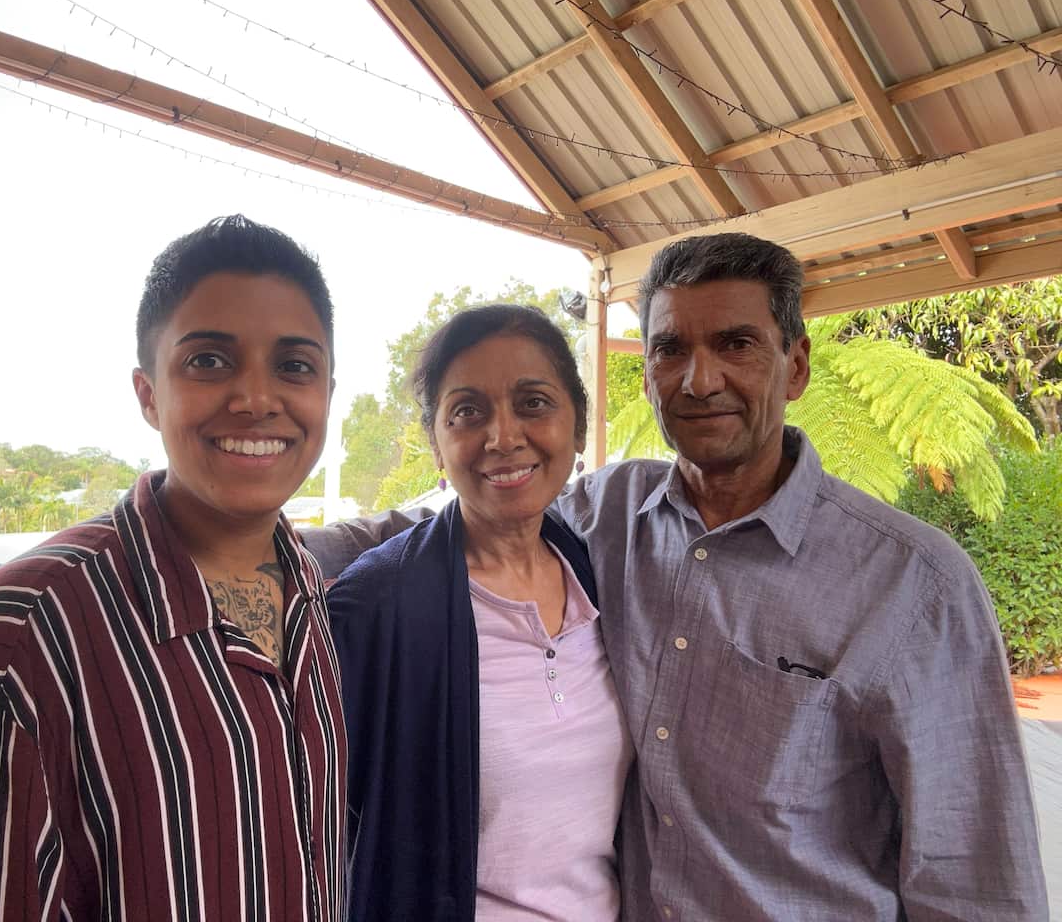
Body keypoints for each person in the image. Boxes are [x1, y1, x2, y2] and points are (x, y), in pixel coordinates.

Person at [306, 233, 1047, 921]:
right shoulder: (604, 514)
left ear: (796, 366)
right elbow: (415, 532)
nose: (699, 379)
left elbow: (976, 877)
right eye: (670, 349)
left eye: (736, 344)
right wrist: (235, 540)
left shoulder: (914, 587)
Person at [0, 215, 346, 921]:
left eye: (294, 366)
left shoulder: (312, 595)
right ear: (148, 394)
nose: (257, 399)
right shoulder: (19, 641)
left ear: (326, 390)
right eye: (208, 361)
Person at [329, 305, 632, 921]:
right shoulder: (377, 608)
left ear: (578, 429)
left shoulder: (607, 578)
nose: (503, 436)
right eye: (467, 411)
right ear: (437, 445)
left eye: (533, 402)